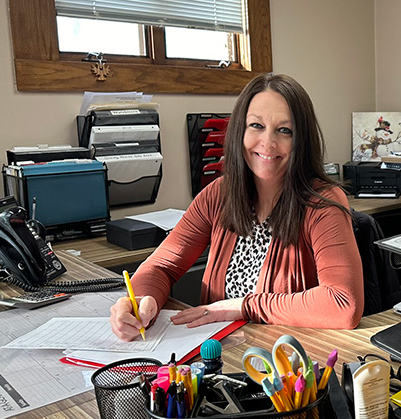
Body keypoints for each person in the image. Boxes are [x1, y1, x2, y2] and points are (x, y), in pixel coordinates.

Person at [110, 73, 364, 341]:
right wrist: (140, 300)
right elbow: (161, 267)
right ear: (239, 132)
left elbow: (342, 304)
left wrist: (244, 306)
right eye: (256, 125)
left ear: (302, 140)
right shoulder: (219, 194)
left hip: (288, 365)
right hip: (219, 355)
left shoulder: (323, 204)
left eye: (284, 130)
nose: (267, 142)